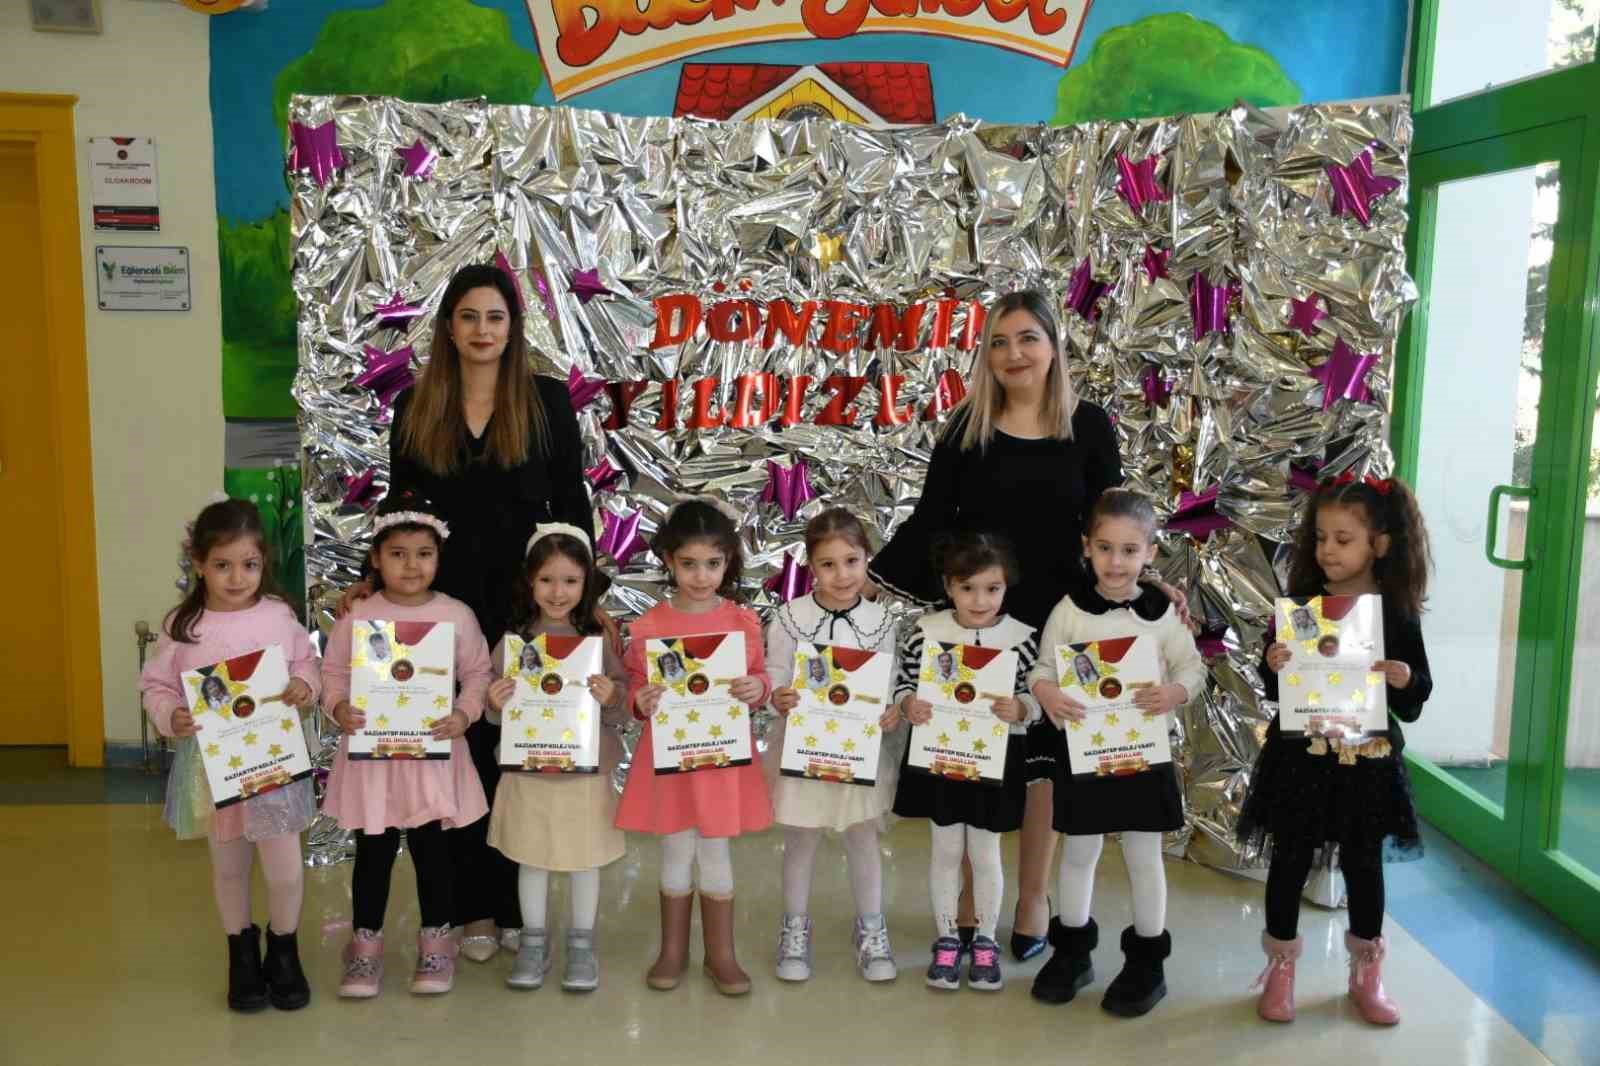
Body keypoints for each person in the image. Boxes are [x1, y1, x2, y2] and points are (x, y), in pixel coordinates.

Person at [869, 289, 1169, 960]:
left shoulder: (1089, 427)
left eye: (1028, 338)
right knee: (973, 755)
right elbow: (931, 519)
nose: (1014, 354)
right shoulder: (966, 426)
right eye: (999, 342)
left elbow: (1111, 524)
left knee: (1044, 769)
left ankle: (1034, 898)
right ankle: (971, 900)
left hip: (1062, 620)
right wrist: (874, 576)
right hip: (982, 618)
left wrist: (1142, 584)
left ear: (1054, 346)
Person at [339, 263, 593, 962]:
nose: (483, 330)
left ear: (513, 328)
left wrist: (583, 603)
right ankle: (467, 910)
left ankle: (513, 908)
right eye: (469, 317)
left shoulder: (546, 401)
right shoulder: (416, 406)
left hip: (524, 608)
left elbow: (573, 507)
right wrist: (370, 582)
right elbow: (401, 512)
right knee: (452, 755)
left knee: (512, 755)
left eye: (496, 317)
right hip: (437, 613)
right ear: (448, 327)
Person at [1238, 474, 1434, 1026]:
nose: (1328, 549)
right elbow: (1278, 691)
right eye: (1321, 537)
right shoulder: (1302, 608)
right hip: (1300, 760)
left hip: (1366, 763)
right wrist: (1273, 663)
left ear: (1380, 543)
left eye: (1343, 539)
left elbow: (1417, 697)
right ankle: (1280, 970)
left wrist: (1403, 678)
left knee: (1364, 865)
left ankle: (1366, 976)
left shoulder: (1395, 613)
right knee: (1290, 859)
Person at [1028, 489, 1206, 1016]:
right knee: (1078, 852)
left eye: (1130, 550)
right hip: (1084, 755)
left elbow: (1192, 669)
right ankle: (1072, 953)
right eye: (1105, 548)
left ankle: (1148, 964)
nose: (1116, 562)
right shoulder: (1069, 610)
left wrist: (1174, 692)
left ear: (1150, 552)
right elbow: (1042, 668)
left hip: (1143, 756)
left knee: (1142, 856)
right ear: (1087, 547)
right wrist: (1046, 692)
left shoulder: (1162, 614)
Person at [140, 498, 321, 1012]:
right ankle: (241, 956)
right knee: (229, 869)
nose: (237, 578)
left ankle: (283, 951)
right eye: (222, 565)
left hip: (273, 765)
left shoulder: (278, 615)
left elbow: (305, 662)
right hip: (214, 770)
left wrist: (304, 686)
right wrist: (171, 714)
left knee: (285, 870)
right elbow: (157, 685)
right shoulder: (183, 625)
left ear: (263, 563)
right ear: (198, 563)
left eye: (249, 564)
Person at [321, 493, 492, 999]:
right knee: (372, 853)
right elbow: (333, 673)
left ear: (439, 557)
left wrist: (464, 713)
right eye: (397, 554)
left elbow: (478, 673)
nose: (411, 565)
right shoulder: (357, 614)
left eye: (423, 553)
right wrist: (337, 706)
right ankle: (365, 947)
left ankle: (437, 943)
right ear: (376, 558)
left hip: (432, 756)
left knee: (432, 852)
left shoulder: (456, 614)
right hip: (373, 759)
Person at [614, 498, 773, 996]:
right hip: (671, 761)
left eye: (712, 563)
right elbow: (634, 691)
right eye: (688, 564)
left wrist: (758, 688)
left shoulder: (742, 622)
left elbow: (759, 678)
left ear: (728, 562)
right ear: (668, 560)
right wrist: (641, 699)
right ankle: (673, 950)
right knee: (676, 850)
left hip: (722, 761)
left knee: (716, 850)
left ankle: (721, 954)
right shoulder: (648, 627)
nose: (701, 576)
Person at [890, 530, 1040, 992]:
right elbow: (903, 683)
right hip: (940, 759)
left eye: (992, 588)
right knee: (946, 851)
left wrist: (1022, 709)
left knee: (986, 853)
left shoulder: (1022, 639)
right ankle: (948, 938)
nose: (980, 600)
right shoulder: (926, 633)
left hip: (995, 763)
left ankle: (986, 941)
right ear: (948, 586)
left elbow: (1036, 695)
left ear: (1007, 586)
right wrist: (907, 703)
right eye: (967, 587)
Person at [485, 523, 628, 992]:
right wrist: (495, 701)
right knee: (533, 858)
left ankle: (582, 944)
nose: (558, 591)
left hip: (585, 774)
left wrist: (612, 696)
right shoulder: (514, 641)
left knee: (586, 859)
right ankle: (534, 941)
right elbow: (493, 710)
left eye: (570, 580)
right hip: (530, 772)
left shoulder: (598, 639)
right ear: (530, 581)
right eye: (547, 579)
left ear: (586, 583)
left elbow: (622, 705)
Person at [765, 508, 902, 984]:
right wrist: (779, 694)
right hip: (802, 752)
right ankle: (794, 929)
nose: (841, 575)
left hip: (858, 754)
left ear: (867, 558)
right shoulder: (791, 617)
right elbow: (775, 673)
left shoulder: (881, 621)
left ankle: (871, 928)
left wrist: (891, 709)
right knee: (800, 840)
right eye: (828, 564)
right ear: (810, 566)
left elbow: (890, 678)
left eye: (851, 561)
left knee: (862, 838)